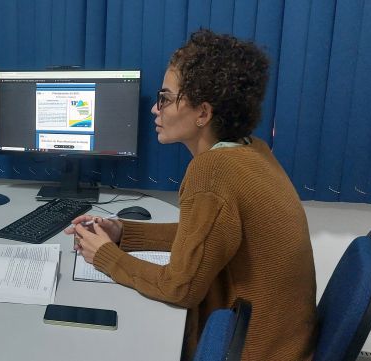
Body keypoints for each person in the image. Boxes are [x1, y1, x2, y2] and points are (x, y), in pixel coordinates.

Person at [66, 29, 317, 360]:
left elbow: (179, 287)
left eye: (166, 99)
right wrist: (124, 232)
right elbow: (204, 237)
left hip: (253, 349)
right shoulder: (252, 151)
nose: (156, 110)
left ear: (203, 113)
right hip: (284, 341)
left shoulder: (212, 172)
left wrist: (105, 256)